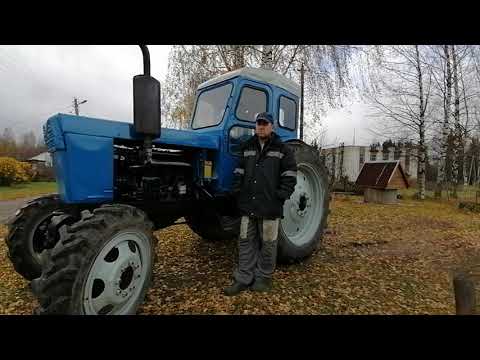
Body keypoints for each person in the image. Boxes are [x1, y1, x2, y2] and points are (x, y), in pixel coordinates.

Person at [224, 112, 297, 296]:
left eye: (265, 124)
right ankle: (243, 278)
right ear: (255, 126)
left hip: (270, 207)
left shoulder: (282, 149)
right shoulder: (247, 147)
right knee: (245, 241)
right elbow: (239, 172)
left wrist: (279, 196)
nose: (261, 127)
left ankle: (263, 277)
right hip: (248, 206)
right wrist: (237, 193)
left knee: (269, 243)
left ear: (272, 126)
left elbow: (290, 175)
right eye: (259, 123)